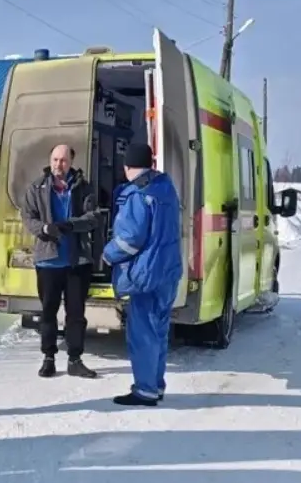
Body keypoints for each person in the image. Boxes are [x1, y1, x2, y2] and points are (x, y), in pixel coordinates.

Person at [102, 142, 183, 406]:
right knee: (159, 331)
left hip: (146, 275)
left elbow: (130, 239)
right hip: (168, 272)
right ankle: (156, 385)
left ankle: (145, 389)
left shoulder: (137, 195)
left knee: (143, 333)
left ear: (127, 167)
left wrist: (108, 254)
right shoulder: (165, 188)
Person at [20, 144, 100, 379]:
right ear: (50, 160)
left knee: (76, 314)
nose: (58, 165)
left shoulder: (83, 187)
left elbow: (94, 217)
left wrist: (70, 225)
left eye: (63, 160)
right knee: (48, 313)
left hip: (77, 262)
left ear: (71, 162)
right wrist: (44, 228)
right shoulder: (36, 187)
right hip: (48, 262)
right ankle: (49, 358)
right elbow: (28, 217)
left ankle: (75, 359)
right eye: (55, 159)